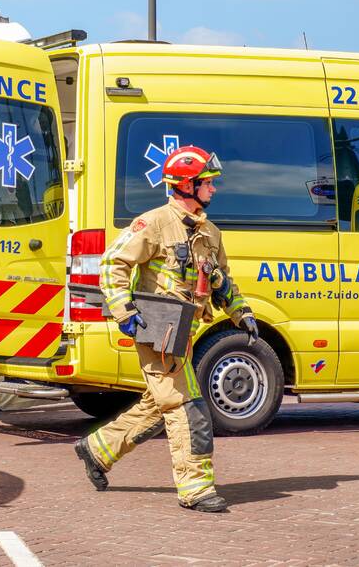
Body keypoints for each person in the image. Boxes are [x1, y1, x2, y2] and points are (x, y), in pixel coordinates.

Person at [74, 145, 258, 513]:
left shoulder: (210, 234)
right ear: (187, 185)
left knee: (159, 405)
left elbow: (221, 281)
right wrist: (123, 310)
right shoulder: (153, 223)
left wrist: (242, 313)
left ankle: (97, 449)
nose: (214, 189)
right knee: (187, 406)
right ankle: (196, 488)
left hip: (186, 332)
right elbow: (113, 264)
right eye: (209, 182)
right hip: (158, 332)